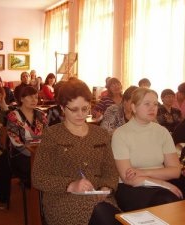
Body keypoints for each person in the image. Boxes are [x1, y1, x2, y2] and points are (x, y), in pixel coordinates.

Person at [32, 79, 121, 225]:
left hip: (99, 198)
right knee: (103, 217)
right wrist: (71, 185)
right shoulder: (52, 135)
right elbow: (38, 177)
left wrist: (107, 187)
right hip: (64, 198)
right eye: (74, 109)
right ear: (62, 107)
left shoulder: (100, 134)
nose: (81, 114)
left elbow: (110, 170)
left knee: (105, 214)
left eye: (85, 109)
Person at [112, 87, 182, 212]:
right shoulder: (121, 134)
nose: (152, 108)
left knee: (170, 202)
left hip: (159, 186)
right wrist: (163, 184)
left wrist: (143, 172)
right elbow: (128, 178)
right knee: (166, 201)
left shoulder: (162, 132)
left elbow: (175, 171)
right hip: (132, 188)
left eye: (155, 104)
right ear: (133, 107)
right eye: (147, 104)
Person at [7, 86, 47, 188]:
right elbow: (15, 141)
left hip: (40, 152)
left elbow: (48, 135)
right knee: (34, 170)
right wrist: (33, 154)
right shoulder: (13, 116)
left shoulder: (41, 115)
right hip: (21, 154)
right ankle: (35, 196)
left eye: (36, 97)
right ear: (21, 99)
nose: (34, 100)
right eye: (30, 97)